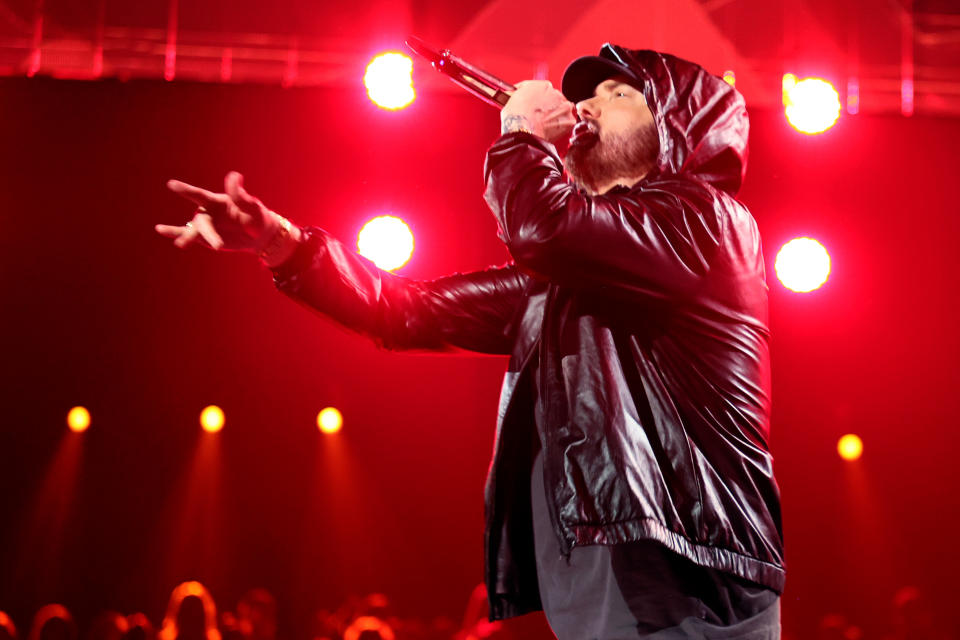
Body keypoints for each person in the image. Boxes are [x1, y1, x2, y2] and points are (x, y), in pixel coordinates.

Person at [157, 43, 785, 639]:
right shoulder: (581, 276)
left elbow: (543, 226)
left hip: (695, 577)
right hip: (621, 573)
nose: (587, 107)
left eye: (618, 94)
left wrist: (519, 135)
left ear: (677, 127)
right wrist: (281, 244)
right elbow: (405, 312)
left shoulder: (708, 220)